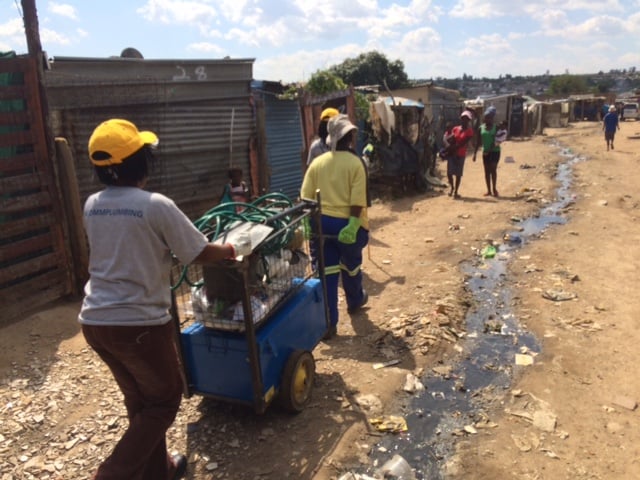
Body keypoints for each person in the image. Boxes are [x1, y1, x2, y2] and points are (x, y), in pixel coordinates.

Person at [79, 118, 251, 480]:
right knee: (165, 400)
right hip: (138, 324)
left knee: (141, 402)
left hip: (95, 321)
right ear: (139, 164)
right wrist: (232, 248)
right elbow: (198, 252)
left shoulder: (93, 204)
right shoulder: (154, 204)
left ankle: (159, 471)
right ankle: (110, 475)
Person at [300, 114, 369, 340]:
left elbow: (305, 198)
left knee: (327, 274)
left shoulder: (317, 163)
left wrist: (309, 225)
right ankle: (355, 301)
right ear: (350, 137)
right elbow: (358, 202)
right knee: (351, 267)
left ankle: (329, 324)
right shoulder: (355, 163)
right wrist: (351, 226)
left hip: (321, 225)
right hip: (348, 224)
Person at [473, 106, 503, 197]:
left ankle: (494, 188)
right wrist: (474, 154)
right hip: (485, 152)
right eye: (486, 117)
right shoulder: (480, 128)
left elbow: (499, 140)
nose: (488, 119)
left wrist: (490, 150)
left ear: (492, 118)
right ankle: (489, 190)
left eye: (490, 117)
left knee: (493, 170)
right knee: (486, 171)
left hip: (495, 152)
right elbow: (478, 141)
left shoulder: (496, 127)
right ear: (484, 118)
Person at [446, 110, 475, 199]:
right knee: (449, 173)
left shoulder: (469, 131)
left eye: (466, 119)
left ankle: (456, 191)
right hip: (452, 153)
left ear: (469, 120)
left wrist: (453, 147)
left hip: (460, 154)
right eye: (463, 118)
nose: (464, 120)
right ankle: (452, 187)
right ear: (461, 119)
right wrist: (450, 142)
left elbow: (464, 143)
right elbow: (449, 139)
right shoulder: (455, 128)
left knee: (458, 174)